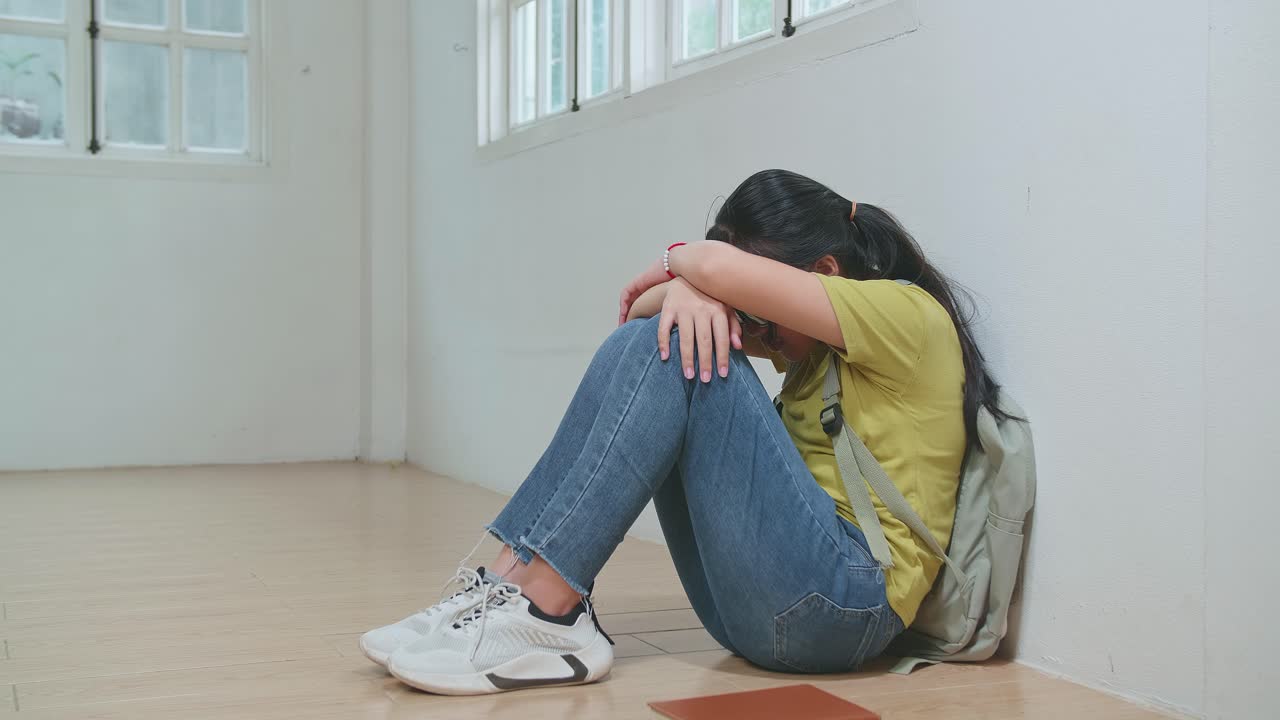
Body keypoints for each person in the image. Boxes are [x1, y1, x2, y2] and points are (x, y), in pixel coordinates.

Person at [359, 169, 1004, 696]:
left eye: (764, 317)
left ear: (827, 273)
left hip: (849, 609)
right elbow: (635, 316)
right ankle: (512, 584)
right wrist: (691, 295)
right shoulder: (813, 353)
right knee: (662, 337)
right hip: (771, 611)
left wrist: (685, 271)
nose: (762, 334)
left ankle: (548, 613)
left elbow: (705, 281)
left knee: (685, 353)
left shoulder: (906, 315)